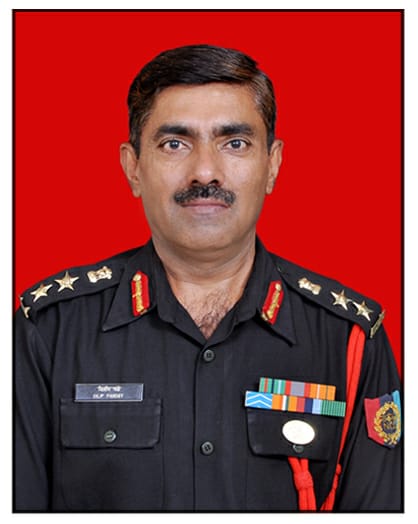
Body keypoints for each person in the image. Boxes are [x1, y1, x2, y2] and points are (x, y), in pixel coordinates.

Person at [14, 44, 402, 512]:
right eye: (174, 144)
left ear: (272, 165)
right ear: (133, 167)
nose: (204, 172)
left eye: (234, 143)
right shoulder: (48, 330)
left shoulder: (348, 338)